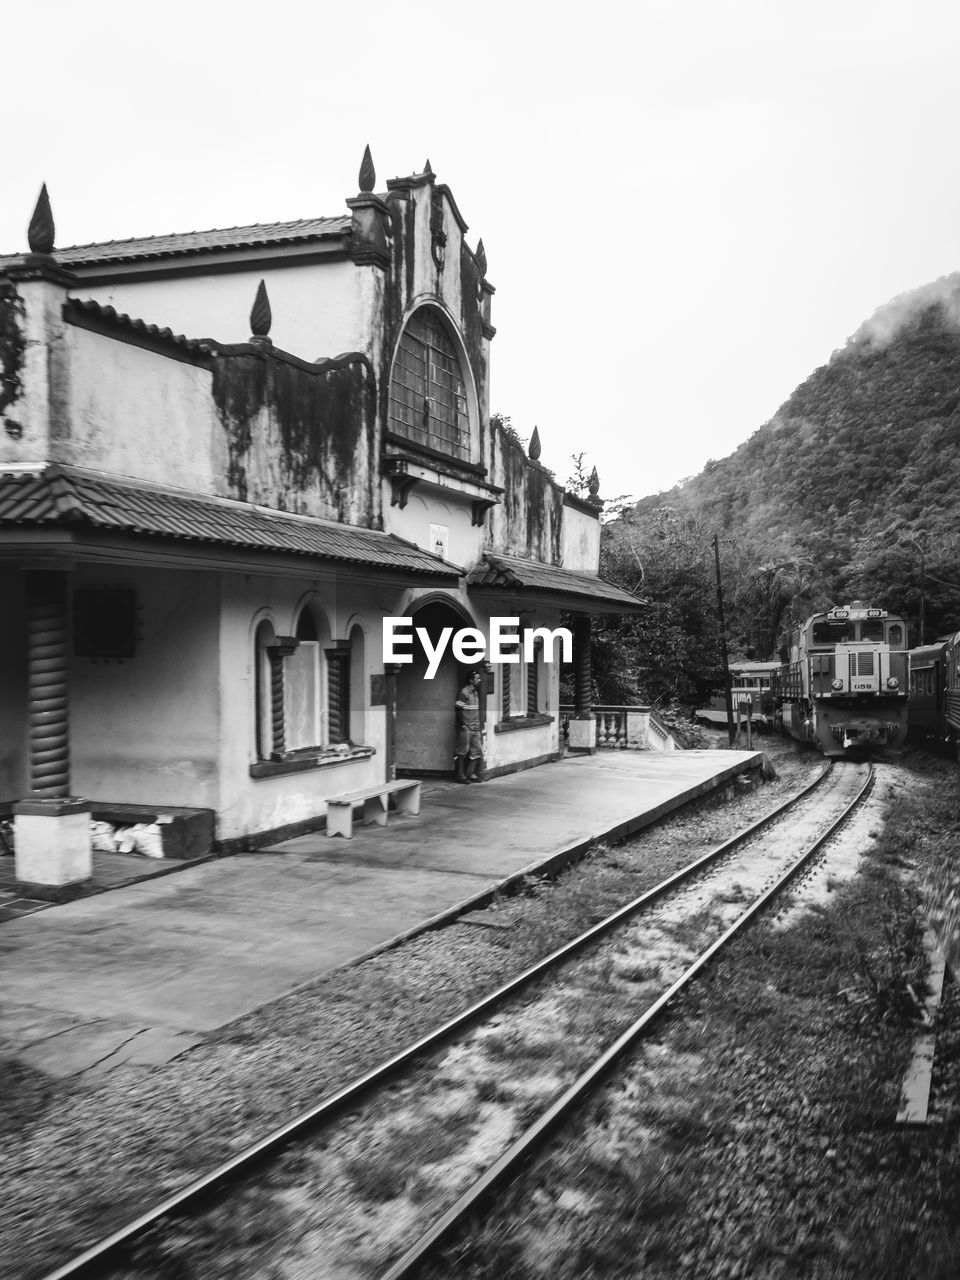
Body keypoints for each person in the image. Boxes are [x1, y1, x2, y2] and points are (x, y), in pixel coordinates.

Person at [454, 669, 484, 784]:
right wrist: (462, 725)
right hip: (465, 727)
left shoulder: (475, 693)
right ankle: (460, 776)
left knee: (477, 750)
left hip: (475, 726)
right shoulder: (463, 692)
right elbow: (457, 710)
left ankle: (469, 773)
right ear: (471, 680)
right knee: (462, 751)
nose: (479, 680)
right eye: (477, 678)